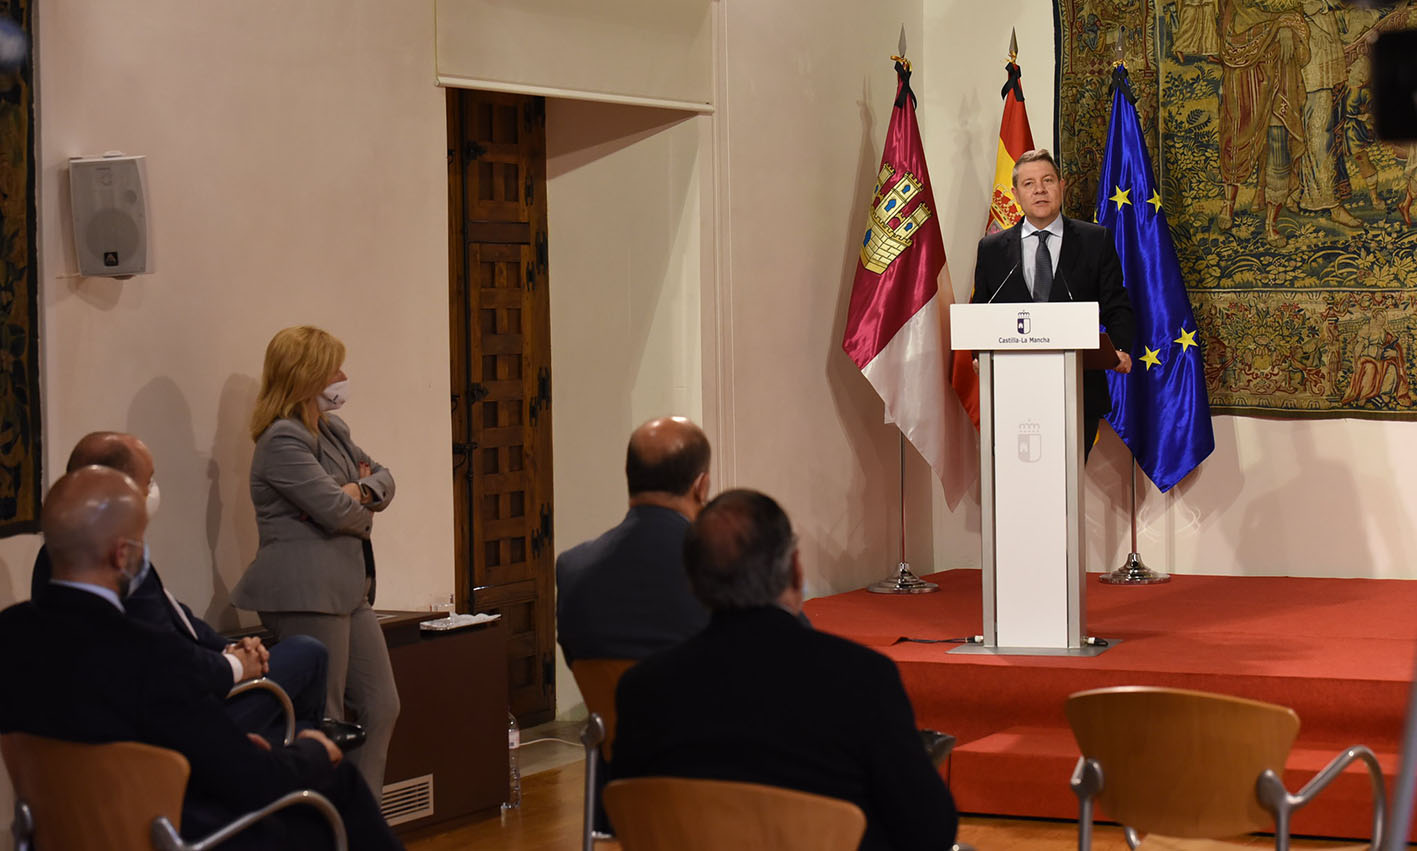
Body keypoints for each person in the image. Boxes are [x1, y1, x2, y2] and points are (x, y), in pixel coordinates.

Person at [0, 466, 403, 851]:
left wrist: (220, 747)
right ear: (122, 555)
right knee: (337, 784)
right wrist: (313, 749)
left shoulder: (10, 633)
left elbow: (99, 740)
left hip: (69, 833)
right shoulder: (151, 653)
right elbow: (253, 782)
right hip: (169, 833)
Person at [610, 489, 958, 851]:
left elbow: (623, 814)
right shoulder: (862, 678)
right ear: (795, 569)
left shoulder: (643, 688)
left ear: (694, 584)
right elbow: (930, 828)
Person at [29, 431, 337, 745]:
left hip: (179, 699)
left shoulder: (87, 554)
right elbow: (163, 661)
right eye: (147, 481)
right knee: (308, 655)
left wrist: (230, 648)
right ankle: (297, 759)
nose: (153, 491)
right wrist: (234, 665)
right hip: (169, 729)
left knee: (297, 672)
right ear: (117, 490)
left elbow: (176, 620)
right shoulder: (100, 565)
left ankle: (286, 753)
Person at [231, 325, 399, 795]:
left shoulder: (333, 430)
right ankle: (322, 825)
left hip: (350, 589)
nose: (343, 377)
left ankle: (359, 814)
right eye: (333, 369)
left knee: (381, 705)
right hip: (306, 592)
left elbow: (383, 478)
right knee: (324, 718)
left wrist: (359, 491)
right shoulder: (281, 441)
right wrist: (355, 499)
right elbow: (337, 509)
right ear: (306, 377)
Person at [972, 149, 1136, 457]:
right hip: (1013, 390)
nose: (1040, 190)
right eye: (1029, 183)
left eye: (1048, 180)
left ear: (1061, 186)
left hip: (1078, 389)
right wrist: (977, 354)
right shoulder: (992, 249)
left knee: (1066, 487)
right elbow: (982, 308)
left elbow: (1117, 304)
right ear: (1016, 194)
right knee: (1020, 484)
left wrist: (1122, 348)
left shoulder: (1095, 240)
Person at [555, 416, 712, 665]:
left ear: (629, 476)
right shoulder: (720, 567)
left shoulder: (571, 567)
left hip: (611, 704)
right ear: (701, 487)